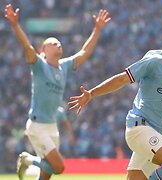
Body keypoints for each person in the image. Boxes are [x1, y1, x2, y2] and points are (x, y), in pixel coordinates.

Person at [68, 19, 162, 180]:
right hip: (139, 128)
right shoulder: (155, 59)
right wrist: (92, 93)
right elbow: (123, 79)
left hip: (158, 135)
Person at [5, 3, 111, 180]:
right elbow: (27, 48)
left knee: (46, 176)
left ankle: (31, 163)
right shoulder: (39, 65)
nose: (58, 44)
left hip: (52, 127)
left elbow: (84, 53)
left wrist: (97, 30)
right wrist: (15, 25)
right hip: (37, 126)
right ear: (44, 51)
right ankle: (27, 159)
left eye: (59, 42)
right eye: (53, 43)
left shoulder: (64, 66)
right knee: (59, 167)